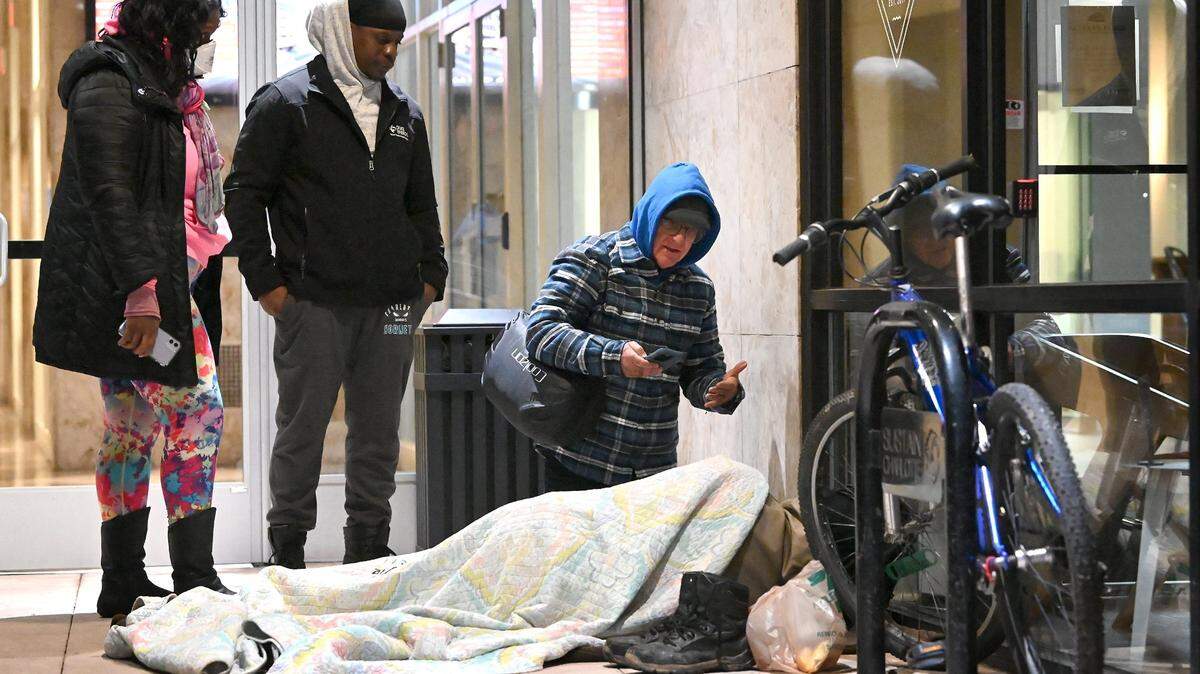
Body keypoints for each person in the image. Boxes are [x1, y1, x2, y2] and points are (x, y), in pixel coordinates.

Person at [224, 0, 446, 569]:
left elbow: (422, 204)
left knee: (379, 433)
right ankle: (289, 548)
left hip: (396, 304)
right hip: (312, 301)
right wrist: (267, 285)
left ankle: (368, 549)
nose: (390, 52)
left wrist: (431, 279)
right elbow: (244, 195)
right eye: (379, 39)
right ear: (344, 33)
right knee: (302, 429)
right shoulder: (286, 103)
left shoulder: (405, 113)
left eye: (397, 42)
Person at [34, 0, 234, 617]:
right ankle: (194, 580)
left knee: (130, 425)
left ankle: (122, 581)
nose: (217, 23)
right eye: (207, 11)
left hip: (167, 279)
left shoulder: (166, 81)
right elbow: (109, 192)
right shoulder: (108, 77)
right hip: (138, 292)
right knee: (199, 412)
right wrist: (142, 294)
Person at [526, 162, 747, 490]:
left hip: (651, 475)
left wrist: (719, 391)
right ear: (652, 213)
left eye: (692, 231)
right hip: (576, 460)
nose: (680, 239)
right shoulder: (596, 259)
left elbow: (701, 369)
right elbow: (542, 331)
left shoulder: (698, 288)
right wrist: (615, 357)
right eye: (672, 224)